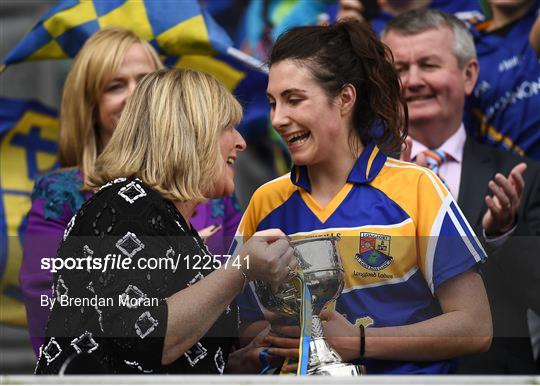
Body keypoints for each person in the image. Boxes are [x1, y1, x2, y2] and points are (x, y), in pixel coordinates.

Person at [233, 20, 492, 375]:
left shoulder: (417, 187)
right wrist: (286, 338)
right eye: (272, 103)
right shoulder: (265, 201)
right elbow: (241, 322)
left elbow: (475, 326)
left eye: (294, 99)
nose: (278, 118)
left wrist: (360, 341)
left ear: (345, 98)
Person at [34, 68, 296, 374]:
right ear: (189, 133)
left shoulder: (167, 220)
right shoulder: (124, 205)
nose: (241, 142)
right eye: (227, 127)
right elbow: (145, 339)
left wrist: (241, 361)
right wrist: (240, 269)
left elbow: (172, 356)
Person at [19, 27, 242, 358]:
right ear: (89, 107)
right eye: (115, 86)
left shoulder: (216, 190)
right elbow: (54, 311)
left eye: (146, 81)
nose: (135, 96)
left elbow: (238, 310)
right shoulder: (63, 195)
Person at [381, 9, 540, 373]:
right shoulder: (359, 178)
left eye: (429, 65)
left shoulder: (524, 177)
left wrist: (504, 233)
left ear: (469, 75)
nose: (413, 80)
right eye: (399, 71)